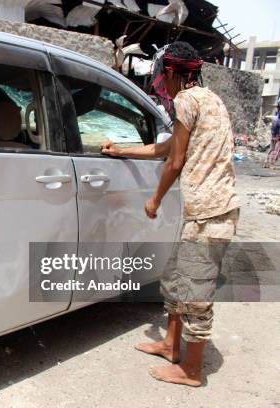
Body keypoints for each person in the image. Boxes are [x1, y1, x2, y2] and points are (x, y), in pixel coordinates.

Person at [101, 41, 239, 387]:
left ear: (174, 73)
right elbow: (166, 148)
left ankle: (191, 371)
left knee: (195, 292)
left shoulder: (185, 100)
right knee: (178, 279)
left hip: (210, 214)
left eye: (163, 73)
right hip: (209, 211)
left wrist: (155, 200)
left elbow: (174, 161)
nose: (161, 80)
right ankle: (170, 345)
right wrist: (120, 150)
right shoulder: (209, 99)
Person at [263, 101, 280, 169]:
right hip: (277, 135)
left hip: (274, 134)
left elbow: (274, 126)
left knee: (271, 149)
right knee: (276, 150)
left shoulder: (276, 116)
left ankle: (266, 163)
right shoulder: (278, 117)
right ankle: (271, 164)